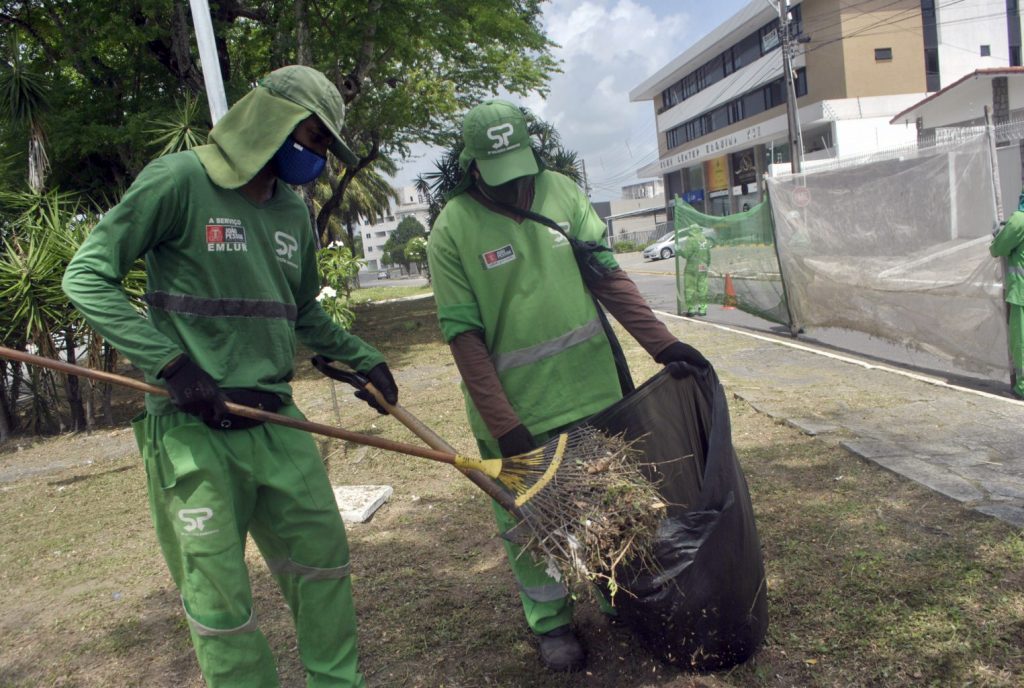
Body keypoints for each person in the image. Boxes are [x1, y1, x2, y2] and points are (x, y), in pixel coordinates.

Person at [62, 65, 398, 688]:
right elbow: (86, 277)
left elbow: (301, 312)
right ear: (273, 121)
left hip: (275, 422)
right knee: (219, 602)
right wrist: (171, 364)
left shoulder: (293, 213)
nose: (319, 157)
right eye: (316, 139)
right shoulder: (180, 180)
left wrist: (364, 359)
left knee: (323, 566)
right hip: (193, 429)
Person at [426, 99, 709, 673]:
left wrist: (662, 344)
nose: (516, 186)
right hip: (517, 415)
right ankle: (552, 624)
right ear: (473, 166)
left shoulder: (560, 192)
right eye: (499, 174)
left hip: (594, 393)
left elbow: (607, 274)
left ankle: (613, 595)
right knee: (530, 521)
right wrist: (506, 428)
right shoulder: (452, 230)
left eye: (522, 170)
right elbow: (465, 339)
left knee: (607, 505)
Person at [990, 204, 1024, 400]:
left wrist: (997, 236)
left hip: (1021, 294)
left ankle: (1022, 388)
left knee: (1020, 343)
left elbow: (998, 248)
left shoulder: (1019, 220)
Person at [681, 223, 714, 317]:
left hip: (692, 267)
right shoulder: (704, 240)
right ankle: (703, 309)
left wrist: (679, 251)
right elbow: (708, 255)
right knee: (702, 287)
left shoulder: (691, 240)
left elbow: (686, 254)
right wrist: (707, 264)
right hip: (703, 266)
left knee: (690, 288)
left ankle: (691, 309)